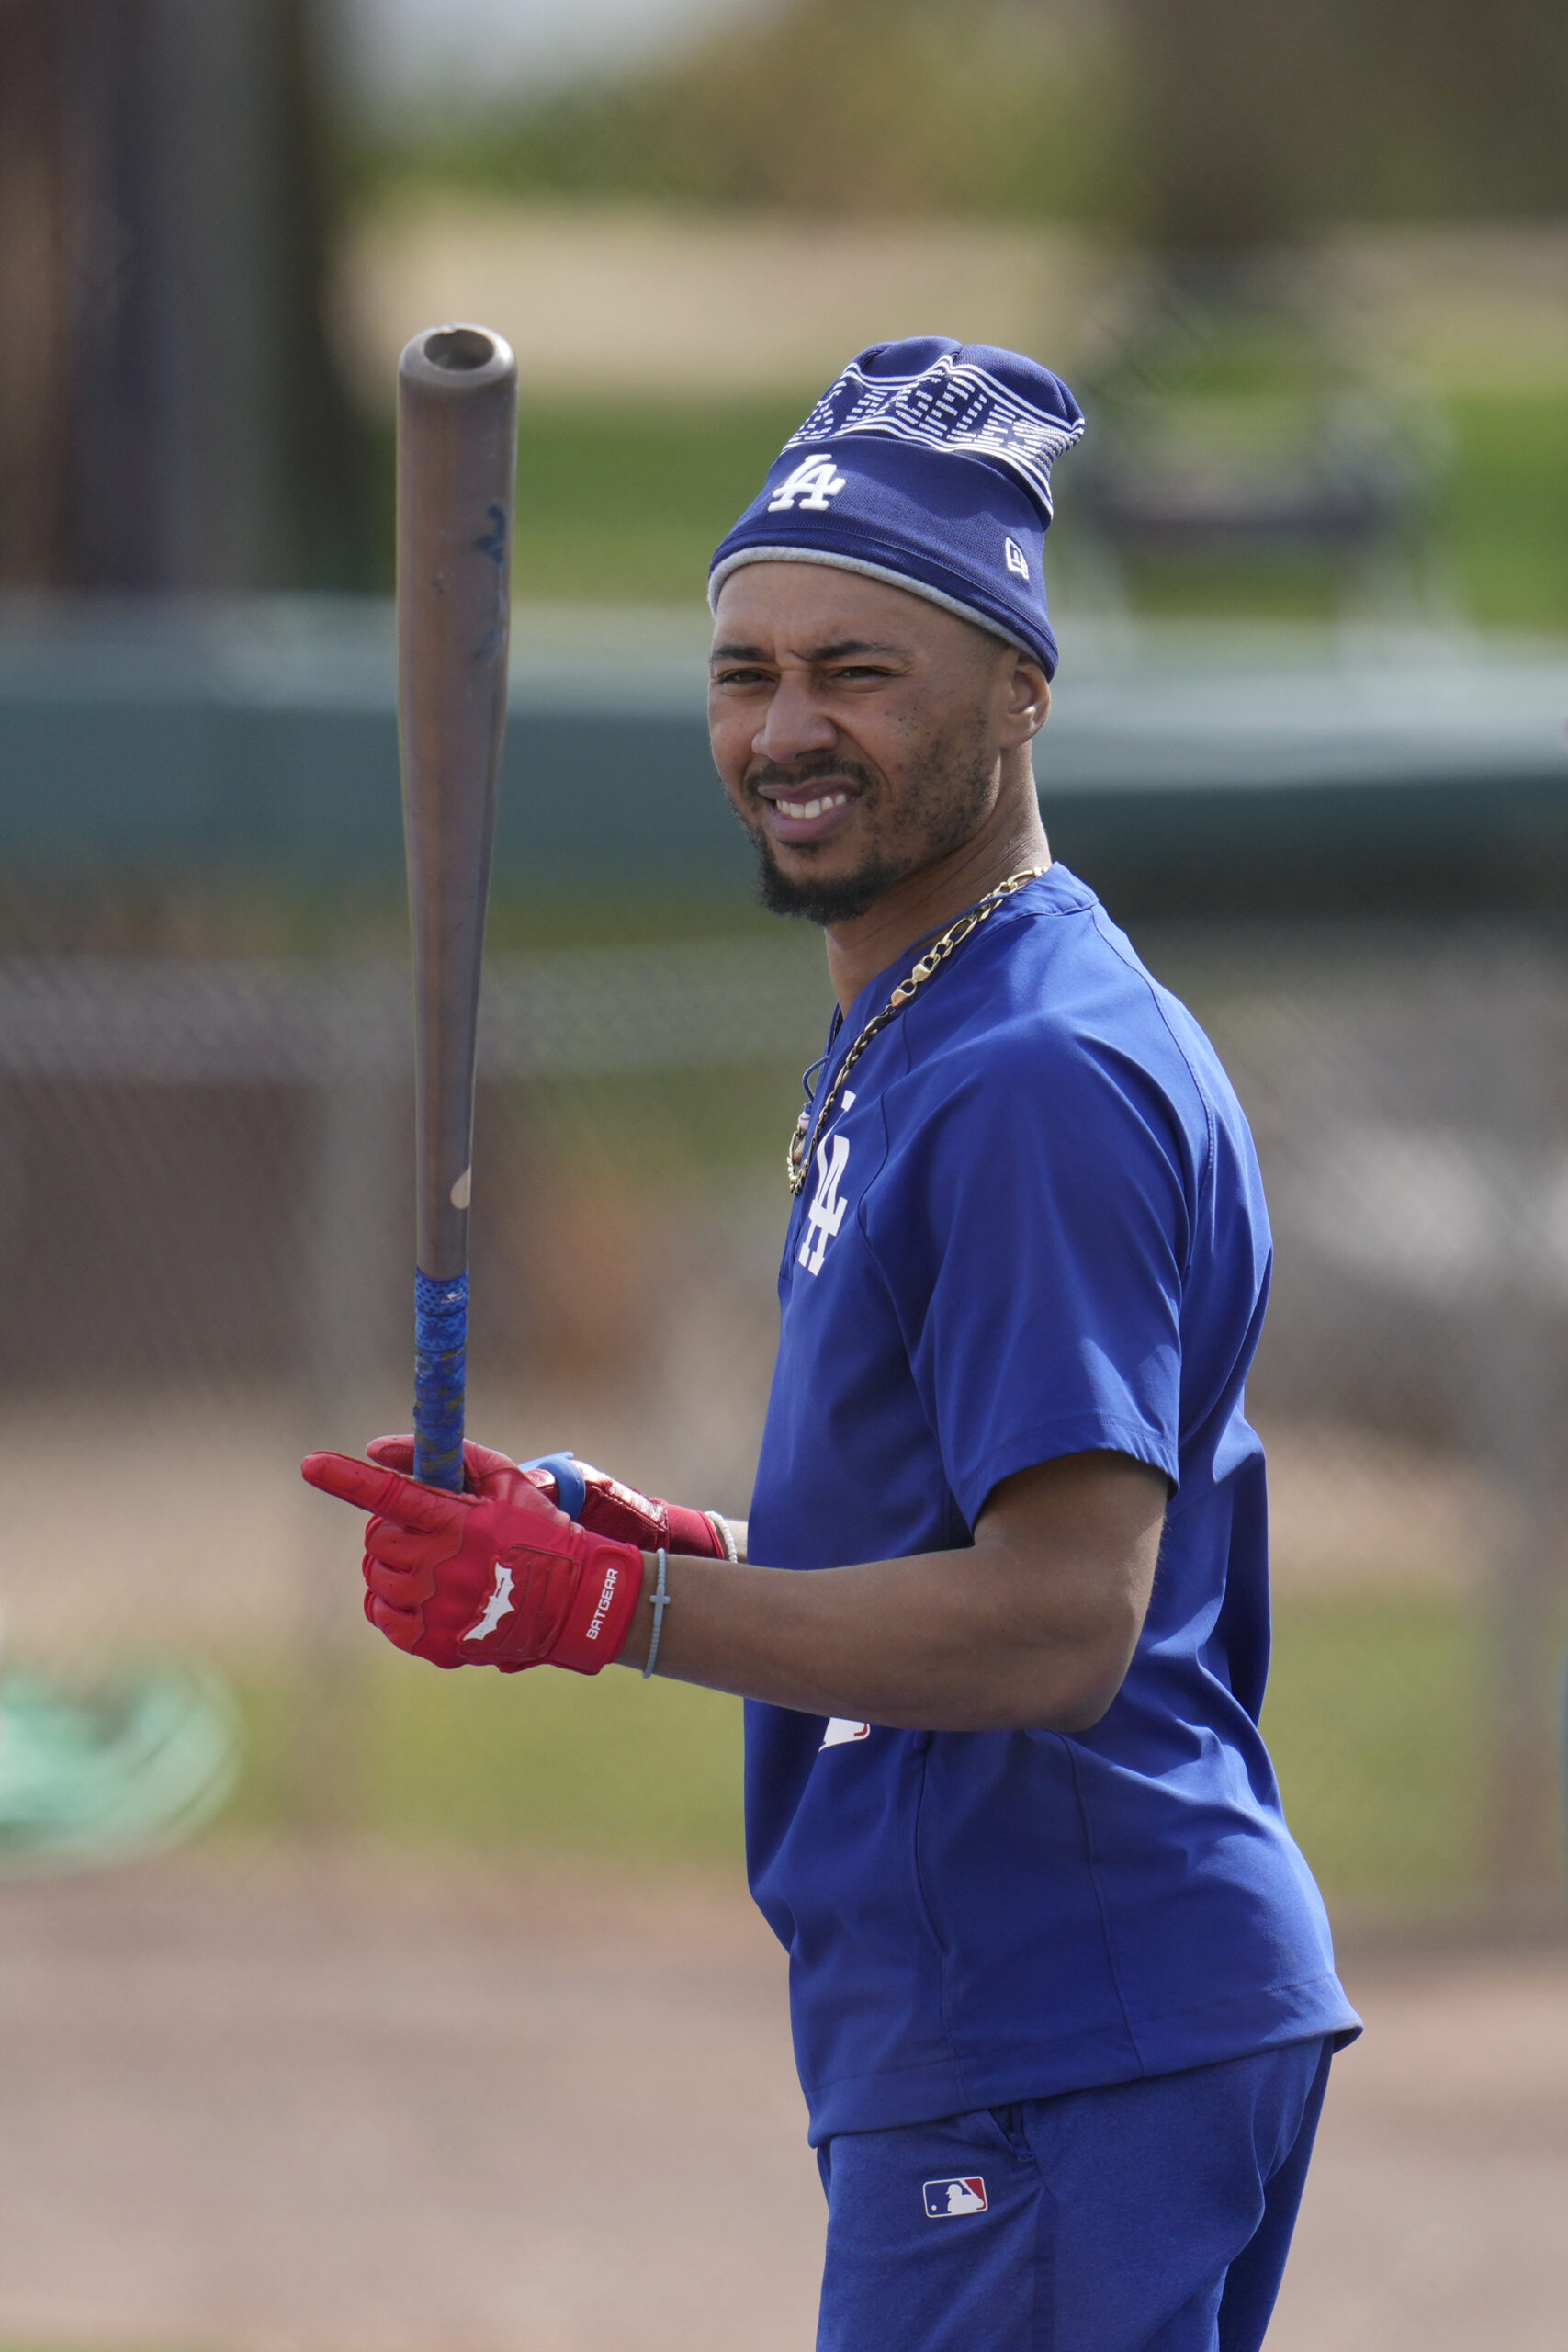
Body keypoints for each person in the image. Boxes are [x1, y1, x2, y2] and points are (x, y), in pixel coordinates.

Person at [304, 337, 1360, 2352]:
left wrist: (609, 1607)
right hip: (1034, 2018)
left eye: (858, 671)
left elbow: (1058, 1619)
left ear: (1018, 685)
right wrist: (673, 1544)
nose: (787, 725)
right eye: (745, 671)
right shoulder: (935, 1021)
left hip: (1054, 2010)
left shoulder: (1033, 1070)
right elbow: (969, 1528)